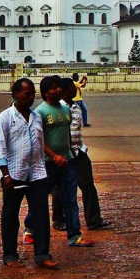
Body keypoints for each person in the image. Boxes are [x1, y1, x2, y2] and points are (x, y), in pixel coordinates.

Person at [0, 77, 57, 270]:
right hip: (13, 174)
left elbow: (39, 143)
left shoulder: (36, 117)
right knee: (11, 215)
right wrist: (5, 174)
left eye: (33, 94)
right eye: (27, 94)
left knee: (40, 214)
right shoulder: (6, 117)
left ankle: (42, 254)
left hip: (37, 173)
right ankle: (10, 255)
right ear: (15, 94)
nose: (31, 98)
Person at [28, 75, 94, 248]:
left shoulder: (66, 111)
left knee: (71, 200)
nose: (59, 90)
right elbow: (37, 138)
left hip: (68, 161)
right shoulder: (40, 113)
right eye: (54, 88)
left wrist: (71, 153)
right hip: (49, 163)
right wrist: (53, 155)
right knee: (41, 198)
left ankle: (75, 235)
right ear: (45, 93)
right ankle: (29, 227)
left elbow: (67, 135)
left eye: (59, 87)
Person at [51, 77, 110, 231]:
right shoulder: (58, 109)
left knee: (88, 185)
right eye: (72, 87)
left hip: (79, 151)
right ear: (63, 90)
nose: (75, 90)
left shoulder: (76, 107)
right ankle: (59, 220)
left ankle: (94, 220)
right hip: (64, 154)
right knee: (60, 188)